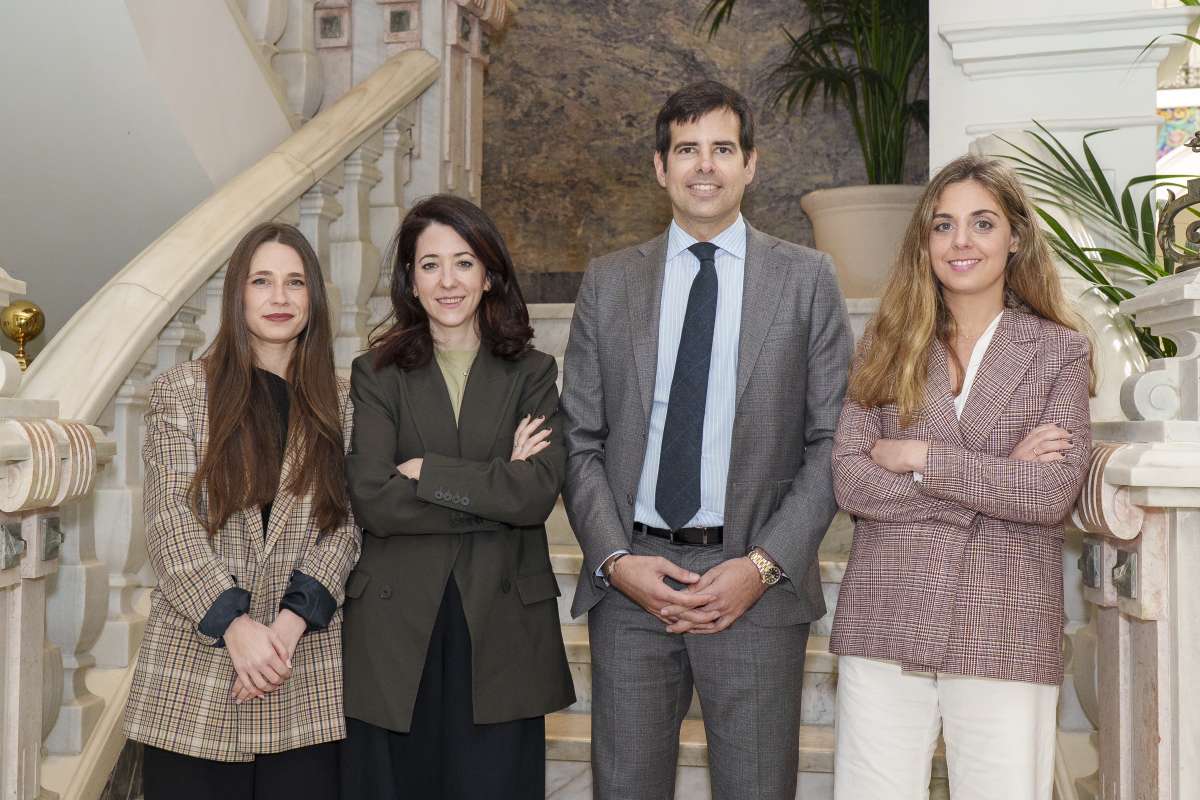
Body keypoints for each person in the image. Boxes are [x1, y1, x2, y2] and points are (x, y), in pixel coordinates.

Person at [561, 80, 854, 799]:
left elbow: (833, 441)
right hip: (634, 586)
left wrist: (762, 566)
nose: (704, 165)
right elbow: (579, 439)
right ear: (660, 167)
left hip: (754, 582)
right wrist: (616, 561)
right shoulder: (609, 283)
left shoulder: (807, 280)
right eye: (686, 149)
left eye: (722, 149)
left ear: (750, 164)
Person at [829, 154, 1094, 799]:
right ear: (924, 242)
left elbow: (1050, 495)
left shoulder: (1058, 349)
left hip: (1003, 618)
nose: (960, 242)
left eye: (982, 223)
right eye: (942, 225)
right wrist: (1001, 473)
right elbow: (852, 482)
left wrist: (923, 459)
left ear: (1015, 237)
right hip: (887, 611)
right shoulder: (884, 345)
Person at [340, 194, 574, 800]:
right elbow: (375, 500)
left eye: (464, 262)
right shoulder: (376, 373)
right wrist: (495, 485)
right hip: (397, 623)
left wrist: (426, 472)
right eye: (430, 264)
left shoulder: (533, 372)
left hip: (502, 623)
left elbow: (535, 494)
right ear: (410, 280)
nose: (448, 281)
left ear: (489, 274)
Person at [124, 222, 360, 799]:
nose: (280, 297)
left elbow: (347, 523)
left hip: (299, 668)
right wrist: (234, 626)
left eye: (295, 282)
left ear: (313, 297)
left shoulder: (343, 400)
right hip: (196, 670)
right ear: (238, 293)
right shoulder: (183, 391)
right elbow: (169, 520)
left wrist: (286, 628)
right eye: (262, 281)